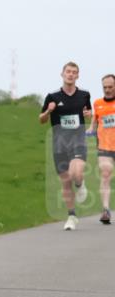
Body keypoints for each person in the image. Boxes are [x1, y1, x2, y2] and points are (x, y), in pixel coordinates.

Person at [39, 62, 92, 230]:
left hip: (78, 142)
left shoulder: (84, 95)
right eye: (68, 72)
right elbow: (41, 119)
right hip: (59, 144)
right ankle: (71, 216)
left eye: (74, 72)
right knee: (66, 182)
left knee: (76, 172)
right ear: (62, 74)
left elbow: (88, 114)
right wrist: (48, 111)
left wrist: (89, 114)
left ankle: (81, 184)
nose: (70, 74)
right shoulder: (52, 96)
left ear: (77, 76)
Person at [90, 74, 115, 224]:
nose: (107, 90)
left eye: (110, 87)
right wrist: (90, 129)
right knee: (105, 174)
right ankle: (105, 209)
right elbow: (94, 123)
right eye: (105, 87)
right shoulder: (97, 103)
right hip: (104, 145)